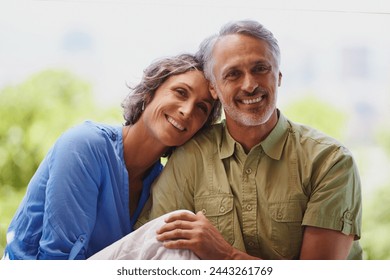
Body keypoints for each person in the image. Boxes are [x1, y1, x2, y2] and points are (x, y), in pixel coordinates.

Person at [88, 19, 362, 260]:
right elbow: (152, 251)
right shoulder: (191, 156)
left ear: (278, 76)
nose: (249, 84)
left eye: (260, 69)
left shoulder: (329, 161)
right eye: (233, 74)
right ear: (214, 88)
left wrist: (223, 254)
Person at [2, 53, 221, 260]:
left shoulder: (162, 183)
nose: (187, 110)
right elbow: (57, 258)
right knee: (176, 232)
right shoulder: (84, 145)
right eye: (181, 92)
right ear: (149, 92)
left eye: (201, 108)